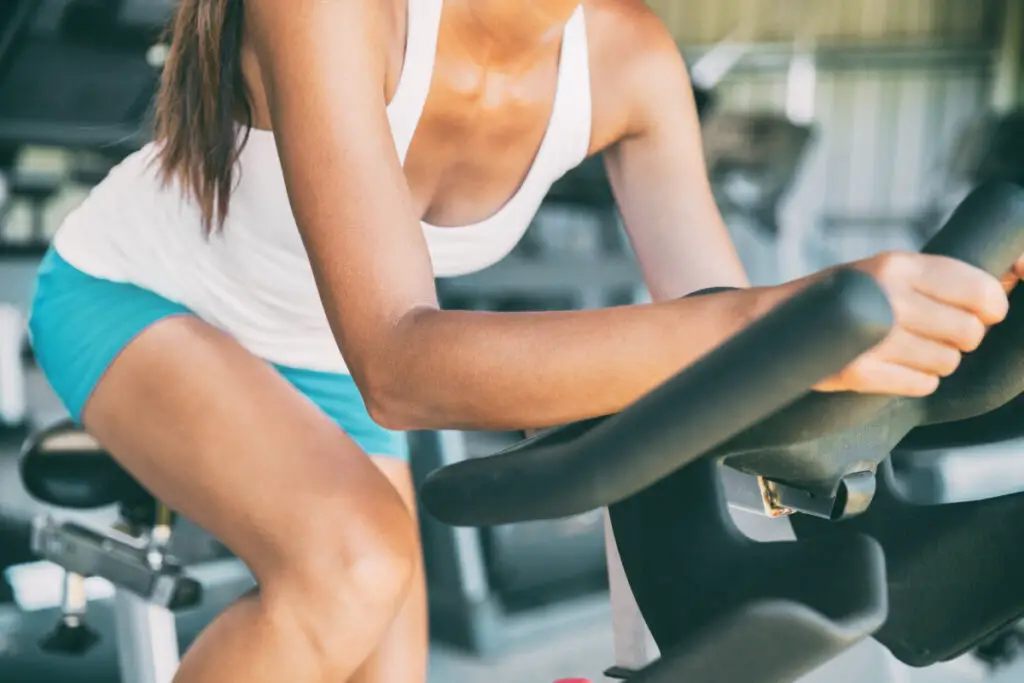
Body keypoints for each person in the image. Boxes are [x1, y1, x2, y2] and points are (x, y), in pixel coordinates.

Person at [27, 0, 1024, 681]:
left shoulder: (631, 57)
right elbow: (403, 367)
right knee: (352, 564)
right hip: (140, 298)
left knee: (384, 657)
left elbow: (732, 342)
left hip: (315, 364)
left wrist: (927, 333)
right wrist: (788, 320)